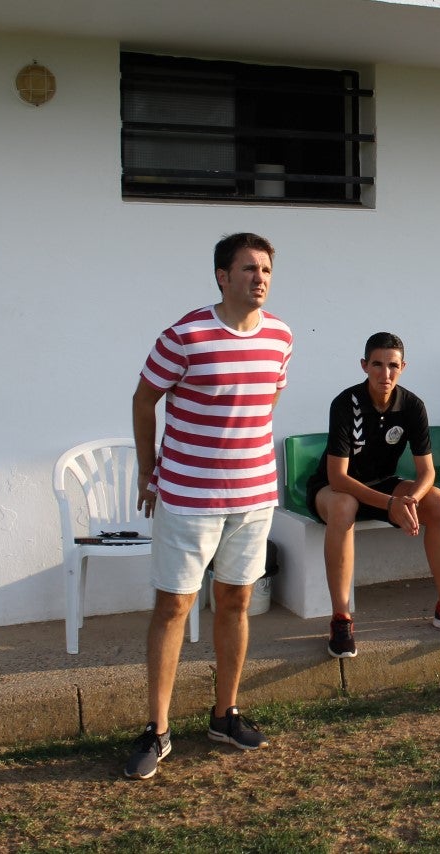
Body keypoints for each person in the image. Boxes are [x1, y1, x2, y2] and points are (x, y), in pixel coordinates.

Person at [126, 232, 292, 780]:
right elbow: (144, 398)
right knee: (173, 607)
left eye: (266, 269)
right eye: (248, 269)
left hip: (253, 497)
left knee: (236, 604)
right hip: (188, 497)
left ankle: (225, 714)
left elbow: (265, 398)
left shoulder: (282, 337)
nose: (260, 278)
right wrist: (150, 471)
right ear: (222, 276)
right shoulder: (185, 335)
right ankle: (157, 728)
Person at [308, 332, 440, 660]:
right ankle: (341, 618)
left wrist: (411, 499)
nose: (385, 373)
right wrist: (391, 504)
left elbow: (427, 473)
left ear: (403, 367)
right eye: (377, 365)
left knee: (436, 500)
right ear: (364, 366)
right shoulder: (345, 403)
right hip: (334, 488)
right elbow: (338, 477)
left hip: (385, 485)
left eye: (393, 365)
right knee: (344, 506)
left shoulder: (412, 405)